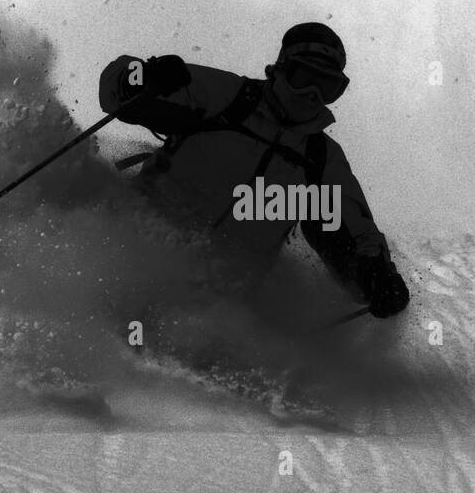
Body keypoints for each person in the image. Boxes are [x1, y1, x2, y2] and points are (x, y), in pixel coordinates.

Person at [98, 22, 409, 318]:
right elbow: (115, 92)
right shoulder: (225, 97)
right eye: (304, 80)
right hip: (132, 249)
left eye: (327, 88)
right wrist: (140, 78)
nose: (312, 96)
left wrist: (376, 277)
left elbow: (352, 235)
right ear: (281, 69)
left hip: (214, 306)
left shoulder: (318, 160)